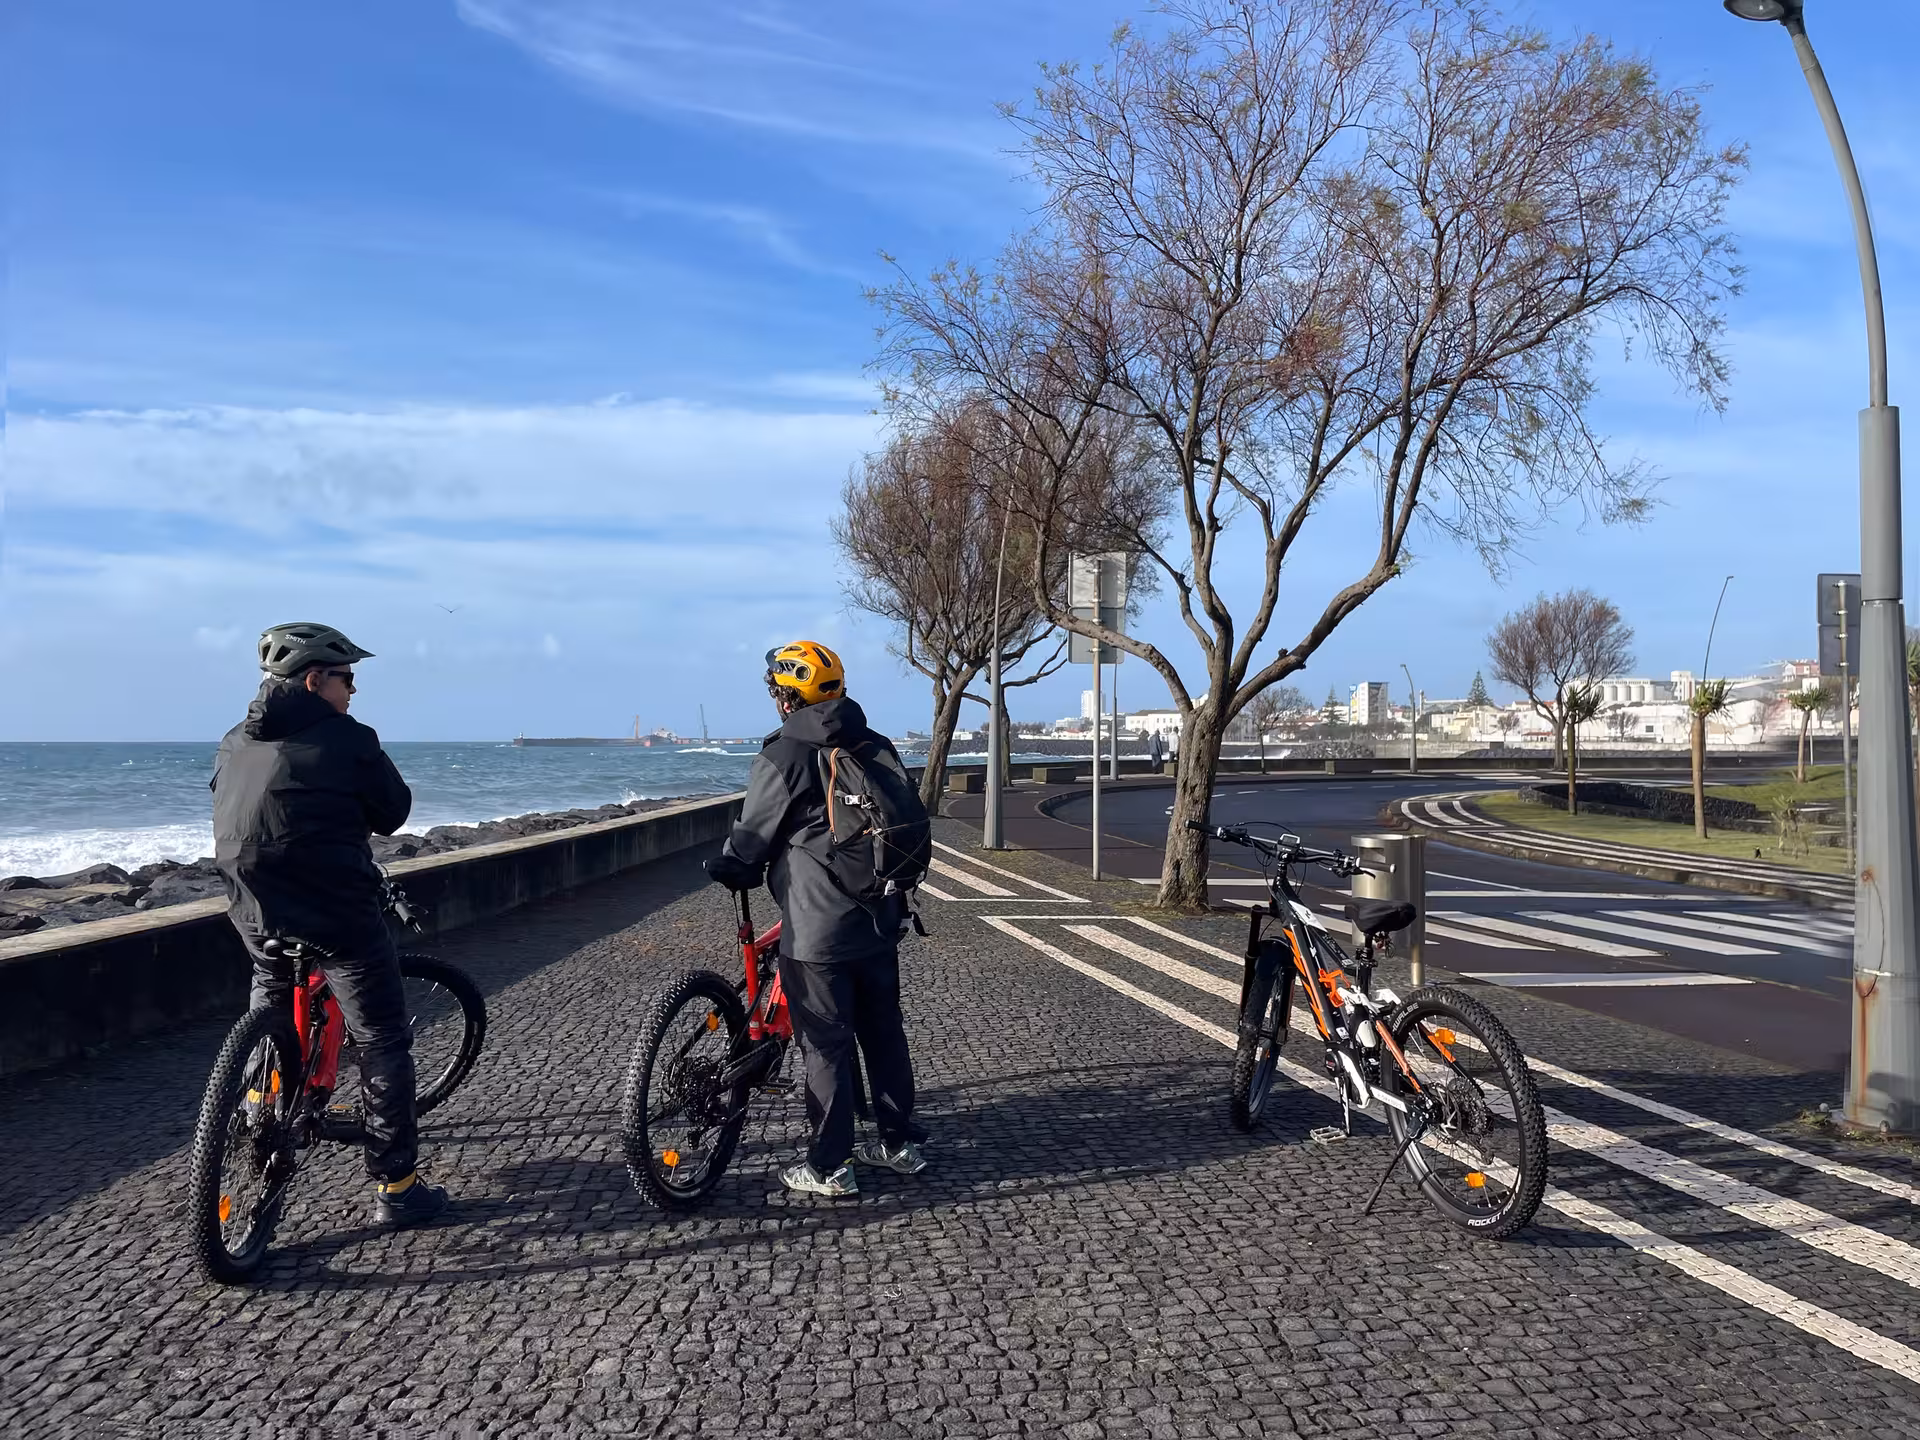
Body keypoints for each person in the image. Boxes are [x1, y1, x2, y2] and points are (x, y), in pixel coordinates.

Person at [211, 621, 450, 1227]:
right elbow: (393, 813)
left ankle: (261, 1100)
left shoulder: (234, 740)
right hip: (335, 910)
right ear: (314, 680)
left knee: (270, 994)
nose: (353, 692)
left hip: (251, 904)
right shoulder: (349, 738)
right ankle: (397, 1185)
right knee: (382, 1038)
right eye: (347, 679)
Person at [705, 640, 926, 1198]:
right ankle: (899, 1145)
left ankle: (829, 1166)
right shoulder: (874, 743)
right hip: (882, 911)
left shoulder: (785, 754)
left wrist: (730, 866)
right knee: (882, 1030)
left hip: (817, 924)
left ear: (785, 699)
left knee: (824, 1043)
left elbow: (752, 839)